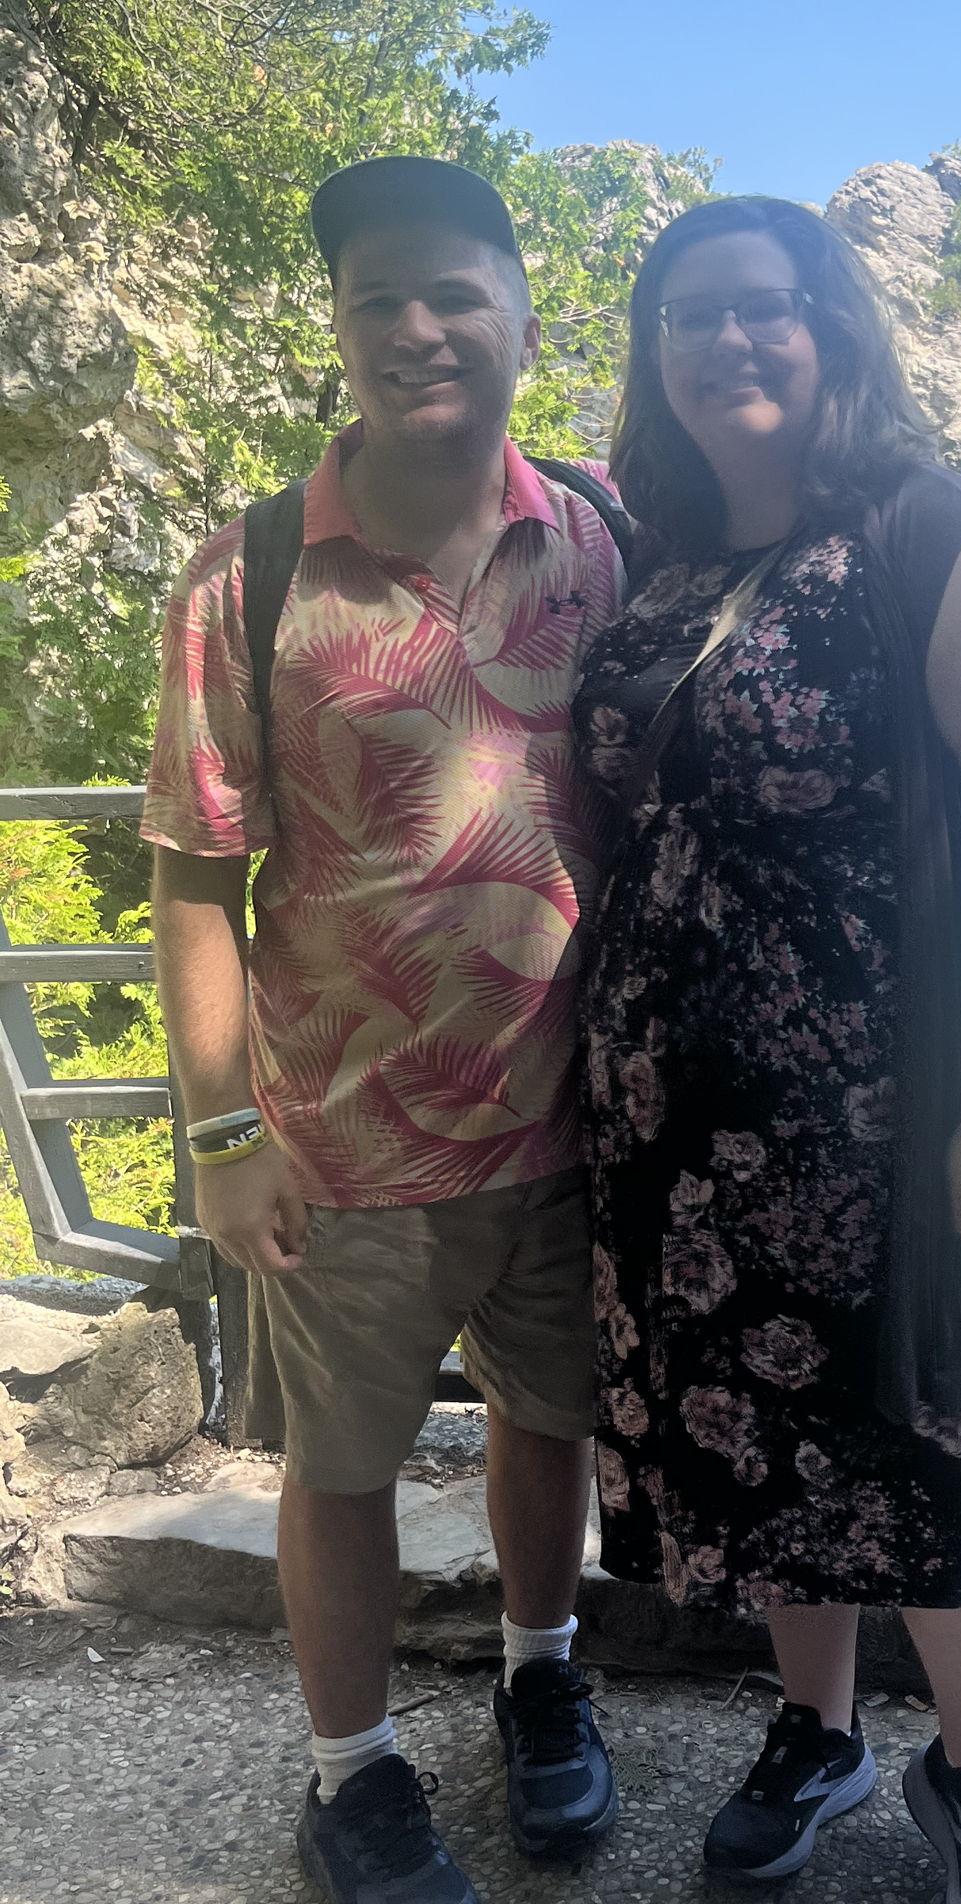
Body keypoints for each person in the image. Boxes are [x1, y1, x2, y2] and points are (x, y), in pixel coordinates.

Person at [575, 196, 961, 1902]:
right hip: (689, 1125)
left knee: (943, 1435)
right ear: (658, 359)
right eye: (690, 318)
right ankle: (818, 1730)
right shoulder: (661, 554)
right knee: (760, 1441)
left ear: (834, 330)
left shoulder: (935, 537)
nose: (730, 341)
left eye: (767, 308)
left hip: (893, 1119)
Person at [144, 157, 620, 1904]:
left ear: (520, 312)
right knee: (338, 1467)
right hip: (342, 1141)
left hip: (571, 1120)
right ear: (340, 331)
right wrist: (220, 1136)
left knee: (544, 1417)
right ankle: (350, 1776)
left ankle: (541, 1673)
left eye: (453, 294)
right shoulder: (254, 573)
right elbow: (196, 878)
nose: (417, 330)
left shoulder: (595, 537)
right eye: (376, 301)